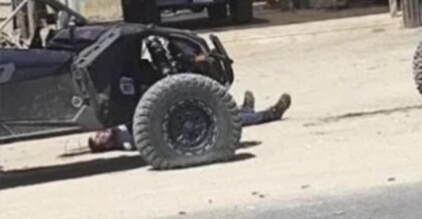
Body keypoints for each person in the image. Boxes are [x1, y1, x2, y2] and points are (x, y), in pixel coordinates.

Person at [88, 92, 292, 153]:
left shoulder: (116, 126)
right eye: (100, 139)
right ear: (106, 145)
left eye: (97, 134)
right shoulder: (126, 143)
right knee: (224, 119)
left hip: (170, 117)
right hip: (179, 130)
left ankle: (246, 110)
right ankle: (270, 114)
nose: (101, 134)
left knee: (224, 113)